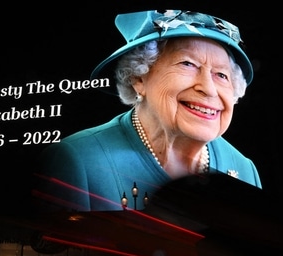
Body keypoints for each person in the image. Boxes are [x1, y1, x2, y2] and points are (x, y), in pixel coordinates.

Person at [33, 9, 261, 212]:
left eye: (221, 75)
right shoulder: (78, 162)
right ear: (138, 77)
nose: (209, 89)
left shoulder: (244, 169)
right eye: (187, 64)